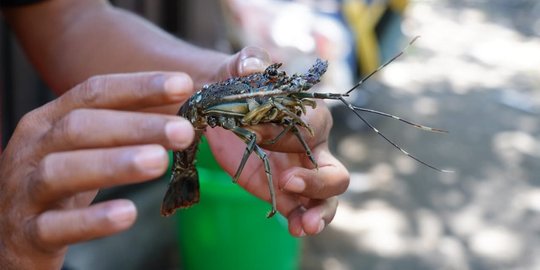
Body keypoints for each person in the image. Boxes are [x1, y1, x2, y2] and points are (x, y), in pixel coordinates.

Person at [0, 0, 350, 269]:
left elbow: (63, 16)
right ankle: (184, 174)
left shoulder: (251, 103)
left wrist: (212, 74)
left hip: (206, 108)